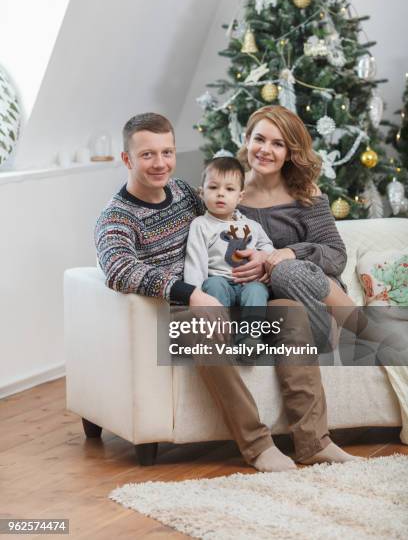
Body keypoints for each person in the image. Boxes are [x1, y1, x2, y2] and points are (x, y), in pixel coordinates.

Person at [95, 111, 356, 472]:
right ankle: (258, 446)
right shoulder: (116, 217)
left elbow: (226, 222)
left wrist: (259, 264)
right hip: (176, 308)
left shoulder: (185, 194)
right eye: (147, 155)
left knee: (288, 311)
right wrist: (191, 293)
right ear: (127, 159)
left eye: (167, 152)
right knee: (203, 326)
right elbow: (119, 269)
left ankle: (314, 442)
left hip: (225, 295)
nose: (160, 164)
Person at [183, 156, 274, 362]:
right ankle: (218, 336)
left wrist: (264, 257)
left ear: (240, 196)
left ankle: (249, 339)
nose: (221, 193)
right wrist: (194, 294)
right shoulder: (201, 225)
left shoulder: (252, 226)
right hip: (219, 281)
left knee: (257, 291)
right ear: (202, 192)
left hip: (247, 282)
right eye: (213, 187)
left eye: (229, 189)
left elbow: (268, 248)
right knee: (214, 285)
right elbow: (195, 262)